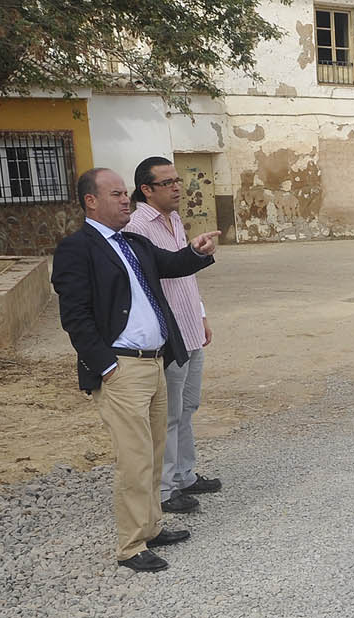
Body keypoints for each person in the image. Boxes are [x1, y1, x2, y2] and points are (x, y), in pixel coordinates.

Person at [54, 168, 221, 572]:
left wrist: (197, 251)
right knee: (133, 459)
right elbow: (75, 316)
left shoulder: (134, 242)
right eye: (115, 194)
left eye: (125, 194)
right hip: (121, 368)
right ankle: (131, 546)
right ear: (90, 201)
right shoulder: (78, 248)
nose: (126, 199)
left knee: (154, 450)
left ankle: (151, 526)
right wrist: (106, 366)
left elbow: (173, 263)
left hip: (154, 363)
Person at [124, 157, 222, 515]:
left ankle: (185, 475)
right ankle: (165, 491)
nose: (177, 187)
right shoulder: (137, 227)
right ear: (146, 189)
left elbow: (185, 278)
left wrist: (201, 315)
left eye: (177, 180)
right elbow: (160, 274)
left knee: (189, 407)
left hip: (191, 327)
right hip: (170, 335)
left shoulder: (175, 219)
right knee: (169, 414)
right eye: (167, 183)